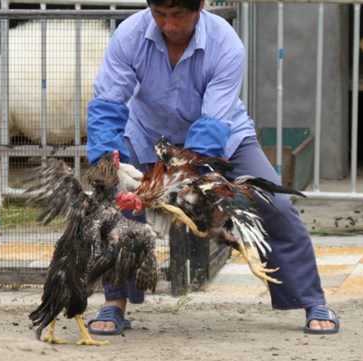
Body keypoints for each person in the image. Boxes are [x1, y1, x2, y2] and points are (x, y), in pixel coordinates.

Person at [84, 0, 340, 335]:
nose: (169, 25)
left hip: (222, 137)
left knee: (275, 205)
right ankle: (114, 302)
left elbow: (212, 124)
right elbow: (108, 103)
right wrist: (108, 161)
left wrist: (181, 188)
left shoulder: (226, 43)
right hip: (146, 134)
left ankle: (311, 299)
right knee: (117, 206)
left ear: (201, 6)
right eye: (159, 14)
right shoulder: (129, 34)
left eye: (178, 16)